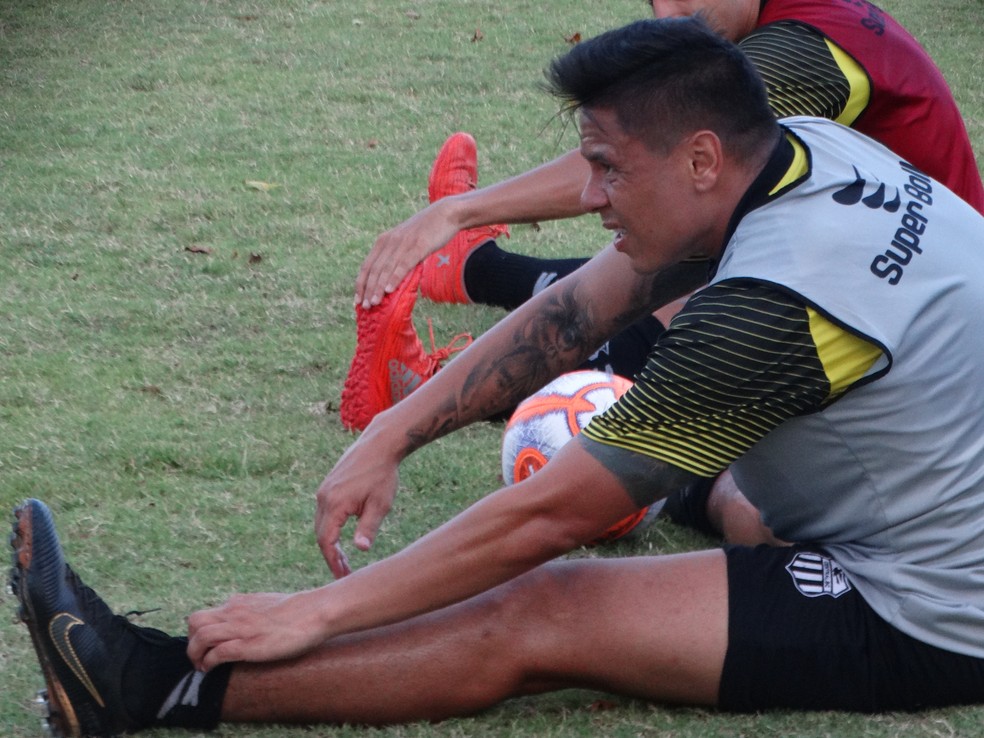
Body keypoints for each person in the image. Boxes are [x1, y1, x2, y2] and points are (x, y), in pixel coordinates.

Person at [12, 18, 984, 736]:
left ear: (698, 158)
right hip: (911, 512)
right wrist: (389, 434)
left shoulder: (779, 303)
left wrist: (311, 610)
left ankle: (143, 689)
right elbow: (574, 313)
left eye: (607, 167)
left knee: (546, 610)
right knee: (708, 513)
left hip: (929, 604)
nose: (588, 195)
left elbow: (545, 517)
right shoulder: (805, 153)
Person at [340, 0, 984, 546]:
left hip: (887, 337)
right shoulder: (810, 27)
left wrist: (460, 209)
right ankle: (475, 276)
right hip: (866, 299)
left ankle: (473, 309)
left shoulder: (814, 54)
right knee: (654, 270)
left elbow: (643, 158)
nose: (671, 16)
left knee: (686, 302)